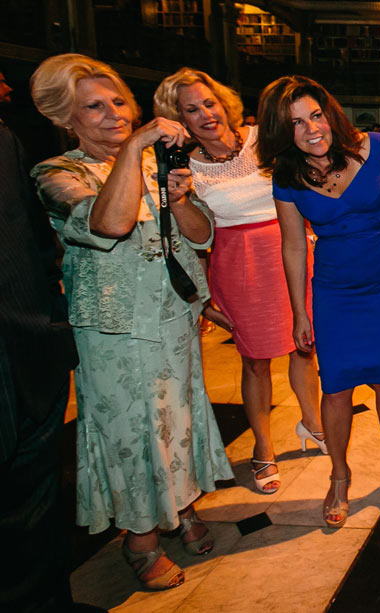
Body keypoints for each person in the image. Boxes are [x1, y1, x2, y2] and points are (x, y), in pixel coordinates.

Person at [30, 54, 232, 590]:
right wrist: (139, 148)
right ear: (64, 119)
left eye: (118, 101)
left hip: (172, 319)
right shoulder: (57, 174)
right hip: (114, 331)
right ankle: (139, 539)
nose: (113, 114)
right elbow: (110, 223)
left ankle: (182, 509)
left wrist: (181, 197)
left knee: (179, 418)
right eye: (93, 107)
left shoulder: (151, 166)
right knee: (132, 429)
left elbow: (199, 235)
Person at [257, 76, 380, 528]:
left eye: (315, 114)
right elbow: (294, 246)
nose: (311, 129)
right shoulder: (287, 177)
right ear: (282, 132)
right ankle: (339, 475)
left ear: (329, 112)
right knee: (335, 387)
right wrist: (300, 311)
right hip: (335, 290)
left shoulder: (375, 146)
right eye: (296, 123)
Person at [154, 67, 327, 496]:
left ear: (223, 103)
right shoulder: (183, 166)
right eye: (190, 110)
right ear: (180, 120)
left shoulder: (261, 138)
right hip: (239, 262)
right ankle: (263, 447)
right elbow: (197, 236)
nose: (205, 114)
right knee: (255, 359)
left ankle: (314, 422)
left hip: (290, 248)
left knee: (305, 347)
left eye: (209, 103)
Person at [0, 119, 80, 610]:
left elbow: (27, 235)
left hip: (29, 344)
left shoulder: (5, 137)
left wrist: (49, 318)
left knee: (31, 502)